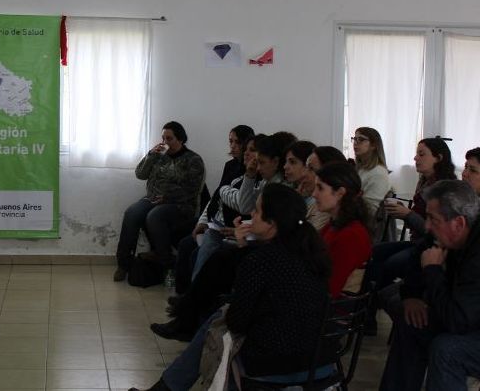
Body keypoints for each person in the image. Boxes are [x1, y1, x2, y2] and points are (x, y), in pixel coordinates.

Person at [130, 184, 332, 391]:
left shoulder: (260, 261)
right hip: (319, 362)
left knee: (221, 321)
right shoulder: (313, 255)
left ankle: (168, 386)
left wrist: (243, 253)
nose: (251, 214)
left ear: (272, 223)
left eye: (257, 210)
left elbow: (237, 323)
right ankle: (168, 386)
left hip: (272, 367)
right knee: (223, 314)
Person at [379, 180, 480, 391]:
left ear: (459, 224)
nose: (426, 226)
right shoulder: (447, 232)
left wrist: (432, 271)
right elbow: (418, 255)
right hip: (468, 317)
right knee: (412, 323)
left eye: (433, 219)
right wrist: (411, 295)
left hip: (469, 322)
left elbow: (457, 320)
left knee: (447, 350)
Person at [365, 138, 457, 334]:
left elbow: (434, 231)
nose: (415, 158)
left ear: (438, 158)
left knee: (389, 265)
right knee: (374, 253)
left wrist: (407, 214)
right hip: (416, 242)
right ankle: (367, 314)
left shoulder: (445, 188)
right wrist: (407, 213)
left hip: (430, 245)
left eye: (422, 154)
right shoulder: (424, 180)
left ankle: (371, 313)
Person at [114, 121, 205, 281]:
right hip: (152, 198)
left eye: (169, 139)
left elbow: (193, 189)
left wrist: (168, 197)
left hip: (179, 204)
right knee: (132, 213)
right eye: (163, 138)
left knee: (154, 216)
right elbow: (140, 174)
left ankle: (166, 261)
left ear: (181, 139)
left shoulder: (193, 160)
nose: (165, 143)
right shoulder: (159, 156)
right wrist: (151, 155)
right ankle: (124, 264)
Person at [177, 129, 255, 291]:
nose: (233, 146)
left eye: (237, 142)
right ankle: (184, 295)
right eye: (230, 141)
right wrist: (203, 220)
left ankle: (193, 299)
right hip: (215, 220)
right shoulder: (230, 165)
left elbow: (241, 203)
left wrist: (223, 191)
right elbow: (216, 198)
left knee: (198, 254)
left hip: (229, 226)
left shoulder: (252, 173)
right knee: (185, 243)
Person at [312, 162, 372, 296]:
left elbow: (330, 288)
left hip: (332, 309)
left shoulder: (350, 235)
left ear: (340, 193)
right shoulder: (334, 224)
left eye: (320, 188)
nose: (314, 194)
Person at [285, 141, 329, 231]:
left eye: (311, 168)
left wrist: (295, 206)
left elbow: (304, 238)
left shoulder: (324, 207)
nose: (304, 173)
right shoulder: (302, 194)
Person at [352, 127, 392, 223]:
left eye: (361, 139)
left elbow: (370, 211)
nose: (355, 142)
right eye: (354, 139)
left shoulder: (378, 173)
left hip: (366, 226)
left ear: (373, 145)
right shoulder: (361, 169)